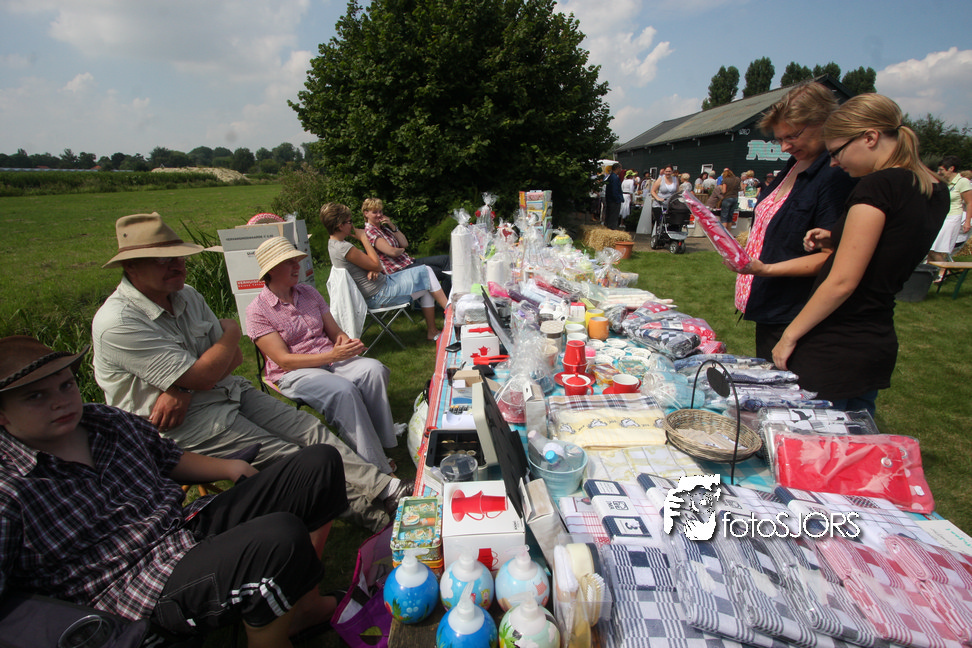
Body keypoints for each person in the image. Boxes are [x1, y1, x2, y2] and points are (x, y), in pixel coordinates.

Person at [0, 335, 348, 646]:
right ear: (2, 415)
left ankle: (305, 608)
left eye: (66, 386)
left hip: (182, 527)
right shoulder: (9, 485)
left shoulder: (104, 421)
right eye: (36, 396)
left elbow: (168, 457)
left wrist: (229, 467)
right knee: (277, 538)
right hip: (134, 588)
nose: (60, 402)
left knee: (318, 464)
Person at [91, 213, 408, 533]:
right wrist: (230, 332)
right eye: (163, 260)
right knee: (290, 457)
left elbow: (232, 360)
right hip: (184, 424)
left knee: (310, 429)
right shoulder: (119, 322)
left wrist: (183, 385)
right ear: (131, 267)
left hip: (229, 389)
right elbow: (209, 371)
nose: (178, 265)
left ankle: (388, 489)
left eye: (179, 256)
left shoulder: (187, 295)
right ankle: (381, 519)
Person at [771, 93, 948, 414]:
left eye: (836, 152)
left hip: (835, 343)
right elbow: (891, 245)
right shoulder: (933, 188)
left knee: (814, 438)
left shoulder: (878, 185)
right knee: (857, 434)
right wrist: (835, 236)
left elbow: (843, 282)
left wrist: (789, 335)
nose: (834, 163)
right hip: (875, 339)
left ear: (870, 138)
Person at [247, 237, 398, 474]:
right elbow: (284, 360)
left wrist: (346, 342)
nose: (297, 266)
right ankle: (375, 465)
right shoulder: (257, 311)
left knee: (374, 370)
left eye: (297, 261)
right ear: (272, 270)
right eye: (289, 262)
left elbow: (335, 332)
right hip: (295, 372)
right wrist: (334, 356)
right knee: (343, 390)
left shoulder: (307, 292)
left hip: (330, 357)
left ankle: (382, 440)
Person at [729, 81, 857, 361]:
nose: (785, 146)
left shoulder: (835, 175)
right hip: (771, 304)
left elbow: (835, 258)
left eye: (793, 136)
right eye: (779, 139)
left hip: (796, 313)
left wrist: (766, 269)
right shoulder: (795, 164)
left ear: (823, 122)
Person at [323, 202, 448, 342]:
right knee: (427, 272)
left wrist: (371, 268)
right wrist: (364, 239)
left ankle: (434, 330)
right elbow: (377, 265)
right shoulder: (344, 248)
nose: (352, 225)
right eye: (349, 221)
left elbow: (367, 265)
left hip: (378, 288)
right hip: (379, 295)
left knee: (427, 281)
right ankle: (451, 317)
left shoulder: (333, 245)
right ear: (340, 226)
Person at [362, 197, 452, 296]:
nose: (379, 215)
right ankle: (446, 302)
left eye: (380, 211)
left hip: (408, 261)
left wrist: (392, 225)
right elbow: (392, 252)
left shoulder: (384, 228)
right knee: (443, 273)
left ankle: (445, 298)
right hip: (399, 270)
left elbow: (404, 243)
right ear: (366, 213)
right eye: (375, 212)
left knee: (446, 260)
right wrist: (401, 250)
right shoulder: (371, 231)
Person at [928, 155, 972, 281]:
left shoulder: (963, 182)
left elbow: (969, 202)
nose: (939, 172)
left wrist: (967, 222)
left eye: (941, 170)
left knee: (935, 248)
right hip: (941, 216)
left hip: (953, 218)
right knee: (929, 248)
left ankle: (943, 272)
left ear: (951, 169)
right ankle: (929, 274)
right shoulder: (943, 182)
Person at [638, 164, 678, 235]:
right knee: (660, 222)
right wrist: (658, 198)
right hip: (659, 204)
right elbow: (653, 191)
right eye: (666, 171)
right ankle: (659, 235)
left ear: (672, 172)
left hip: (670, 204)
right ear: (664, 171)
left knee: (672, 221)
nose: (668, 173)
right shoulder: (660, 179)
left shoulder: (675, 179)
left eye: (669, 171)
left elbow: (677, 192)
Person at [603, 163, 623, 229]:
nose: (621, 170)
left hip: (610, 199)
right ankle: (611, 228)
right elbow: (614, 190)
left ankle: (608, 227)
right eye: (620, 168)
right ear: (617, 168)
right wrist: (617, 199)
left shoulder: (611, 176)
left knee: (609, 216)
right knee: (613, 217)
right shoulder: (615, 178)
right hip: (614, 201)